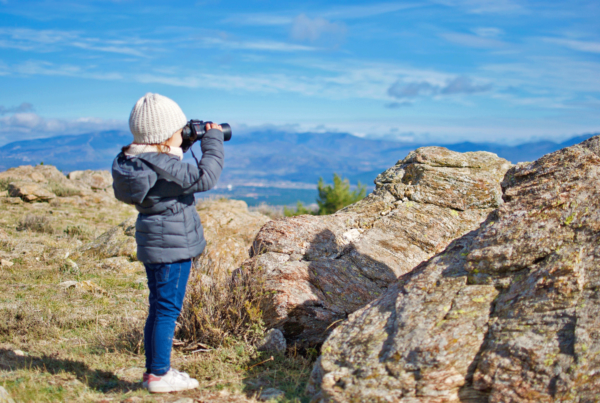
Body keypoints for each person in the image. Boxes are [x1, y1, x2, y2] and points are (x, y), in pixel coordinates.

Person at [111, 93, 224, 393]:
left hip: (155, 243)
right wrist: (212, 140)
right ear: (164, 136)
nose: (183, 133)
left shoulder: (139, 161)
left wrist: (180, 144)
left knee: (158, 308)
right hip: (172, 248)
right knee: (167, 311)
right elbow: (206, 175)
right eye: (180, 129)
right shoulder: (164, 166)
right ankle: (160, 376)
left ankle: (154, 372)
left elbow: (166, 162)